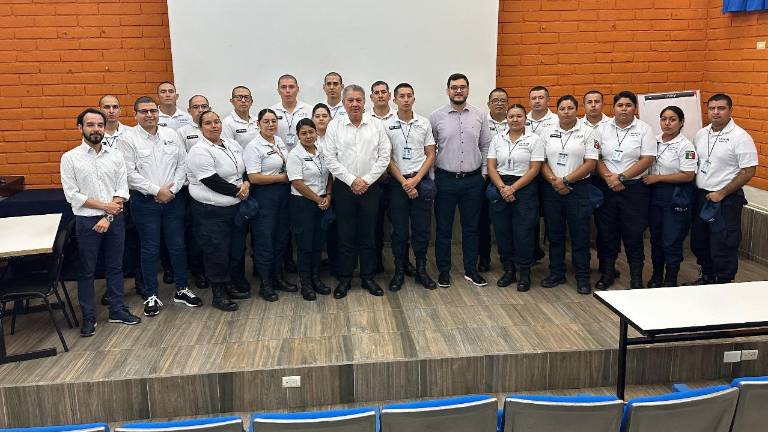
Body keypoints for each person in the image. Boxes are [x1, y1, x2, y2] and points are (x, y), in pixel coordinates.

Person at [117, 96, 202, 316]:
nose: (149, 115)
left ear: (157, 112)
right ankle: (151, 294)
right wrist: (157, 191)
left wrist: (171, 191)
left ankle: (182, 289)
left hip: (173, 200)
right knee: (149, 249)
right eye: (143, 111)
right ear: (135, 115)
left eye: (152, 111)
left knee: (177, 246)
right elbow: (128, 174)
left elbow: (183, 165)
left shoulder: (171, 135)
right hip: (145, 202)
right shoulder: (128, 139)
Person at [60, 108, 141, 337]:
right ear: (80, 128)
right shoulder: (70, 158)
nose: (96, 129)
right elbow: (72, 195)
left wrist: (108, 215)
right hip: (87, 222)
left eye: (99, 125)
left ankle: (116, 310)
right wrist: (105, 208)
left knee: (115, 266)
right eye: (90, 125)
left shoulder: (115, 156)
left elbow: (122, 189)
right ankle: (89, 317)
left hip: (113, 219)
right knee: (87, 270)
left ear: (105, 128)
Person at [324, 84, 391, 299]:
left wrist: (367, 181)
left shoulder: (376, 125)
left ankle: (367, 277)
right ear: (343, 103)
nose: (354, 104)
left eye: (358, 100)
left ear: (365, 102)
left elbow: (384, 155)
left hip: (371, 188)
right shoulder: (335, 126)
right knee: (345, 235)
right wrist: (353, 180)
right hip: (344, 188)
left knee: (369, 234)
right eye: (350, 100)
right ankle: (344, 279)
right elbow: (330, 158)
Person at [430, 73, 492, 288]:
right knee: (444, 229)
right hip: (445, 181)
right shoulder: (436, 116)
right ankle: (444, 271)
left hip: (473, 180)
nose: (458, 91)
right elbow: (431, 149)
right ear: (447, 90)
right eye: (454, 87)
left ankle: (471, 270)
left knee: (471, 228)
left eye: (462, 87)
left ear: (468, 90)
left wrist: (484, 173)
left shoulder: (479, 115)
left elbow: (485, 145)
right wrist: (433, 177)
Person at [688, 93, 757, 285]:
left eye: (721, 108)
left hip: (726, 199)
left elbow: (749, 170)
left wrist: (722, 193)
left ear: (730, 111)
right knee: (699, 242)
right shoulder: (702, 133)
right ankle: (707, 278)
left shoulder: (740, 137)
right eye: (712, 108)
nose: (716, 112)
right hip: (702, 196)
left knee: (724, 243)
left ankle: (724, 283)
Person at [187, 110, 251, 311]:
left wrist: (247, 184)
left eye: (216, 122)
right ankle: (219, 294)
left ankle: (230, 284)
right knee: (217, 251)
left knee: (235, 249)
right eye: (208, 123)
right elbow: (210, 180)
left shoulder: (231, 144)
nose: (214, 126)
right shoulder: (199, 150)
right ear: (201, 127)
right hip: (211, 211)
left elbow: (244, 168)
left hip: (234, 208)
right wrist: (238, 191)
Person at [593, 91, 656, 290]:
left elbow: (647, 159)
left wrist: (622, 177)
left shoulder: (644, 129)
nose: (624, 109)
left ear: (634, 108)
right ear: (614, 108)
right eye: (620, 105)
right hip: (607, 187)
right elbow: (596, 157)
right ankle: (608, 273)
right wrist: (610, 179)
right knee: (607, 233)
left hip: (634, 190)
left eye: (628, 105)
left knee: (633, 234)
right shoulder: (602, 128)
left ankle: (636, 278)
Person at [540, 95, 599, 295]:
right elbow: (541, 161)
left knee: (580, 234)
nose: (566, 112)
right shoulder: (547, 132)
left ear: (577, 110)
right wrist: (555, 182)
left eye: (570, 108)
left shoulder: (588, 132)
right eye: (562, 108)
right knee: (554, 234)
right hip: (552, 188)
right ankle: (557, 272)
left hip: (578, 189)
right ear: (557, 110)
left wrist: (566, 181)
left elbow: (590, 163)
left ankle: (582, 276)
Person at [384, 83, 437, 291]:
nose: (406, 99)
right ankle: (399, 271)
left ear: (414, 99)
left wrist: (415, 180)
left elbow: (431, 154)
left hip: (420, 181)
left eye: (409, 96)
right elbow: (386, 158)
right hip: (398, 183)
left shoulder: (423, 123)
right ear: (394, 100)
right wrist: (405, 182)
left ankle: (421, 270)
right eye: (401, 96)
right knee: (399, 230)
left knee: (422, 229)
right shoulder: (386, 125)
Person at [486, 104, 544, 291]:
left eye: (519, 116)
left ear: (525, 118)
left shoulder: (534, 139)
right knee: (502, 231)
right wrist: (503, 188)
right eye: (511, 116)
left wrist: (513, 189)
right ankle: (508, 269)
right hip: (501, 184)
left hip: (524, 187)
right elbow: (491, 167)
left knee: (523, 232)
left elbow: (535, 169)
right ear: (507, 119)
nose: (515, 120)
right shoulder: (498, 138)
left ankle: (524, 272)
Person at [243, 109, 296, 301]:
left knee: (281, 238)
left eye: (274, 121)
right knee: (265, 241)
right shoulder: (253, 146)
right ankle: (266, 283)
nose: (271, 125)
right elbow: (253, 177)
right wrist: (283, 177)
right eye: (266, 121)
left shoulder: (279, 142)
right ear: (258, 124)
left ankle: (278, 277)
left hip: (283, 195)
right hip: (264, 197)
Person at [642, 106, 697, 288]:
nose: (667, 123)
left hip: (675, 195)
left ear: (681, 123)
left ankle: (670, 279)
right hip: (653, 195)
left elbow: (688, 174)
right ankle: (657, 276)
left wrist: (658, 178)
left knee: (671, 239)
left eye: (672, 119)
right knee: (656, 238)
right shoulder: (654, 140)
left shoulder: (686, 145)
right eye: (663, 119)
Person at [98, 95, 145, 304]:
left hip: (132, 196)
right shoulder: (94, 134)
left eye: (115, 107)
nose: (111, 111)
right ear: (100, 109)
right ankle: (113, 291)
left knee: (138, 242)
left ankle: (142, 284)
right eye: (106, 107)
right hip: (107, 198)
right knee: (113, 249)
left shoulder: (132, 133)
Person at [287, 118, 334, 300]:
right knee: (305, 245)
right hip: (303, 204)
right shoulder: (295, 155)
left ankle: (316, 278)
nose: (308, 136)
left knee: (318, 243)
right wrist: (318, 199)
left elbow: (329, 174)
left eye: (311, 132)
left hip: (322, 201)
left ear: (316, 133)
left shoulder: (322, 151)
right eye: (303, 133)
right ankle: (305, 283)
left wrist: (328, 196)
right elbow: (297, 183)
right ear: (298, 136)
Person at [582, 90, 619, 280]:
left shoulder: (612, 125)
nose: (593, 105)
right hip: (584, 179)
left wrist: (608, 176)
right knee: (582, 225)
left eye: (597, 101)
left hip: (608, 181)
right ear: (584, 106)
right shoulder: (578, 125)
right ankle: (583, 265)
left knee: (606, 226)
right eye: (589, 102)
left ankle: (607, 265)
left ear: (603, 104)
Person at [176, 95, 211, 290]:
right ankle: (198, 272)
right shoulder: (182, 132)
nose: (200, 110)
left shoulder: (216, 128)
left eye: (203, 106)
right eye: (195, 107)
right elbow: (181, 161)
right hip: (192, 190)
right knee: (195, 234)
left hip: (216, 190)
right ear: (189, 111)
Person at [478, 88, 509, 272]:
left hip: (508, 178)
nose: (499, 103)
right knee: (482, 222)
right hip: (483, 177)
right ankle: (483, 259)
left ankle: (507, 260)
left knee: (504, 223)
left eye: (502, 100)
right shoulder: (481, 121)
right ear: (488, 103)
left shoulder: (515, 120)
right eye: (495, 100)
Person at [270, 74, 311, 152]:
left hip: (304, 158)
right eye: (283, 87)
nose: (287, 90)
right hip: (279, 158)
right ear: (278, 90)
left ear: (298, 89)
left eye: (291, 87)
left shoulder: (309, 110)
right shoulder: (271, 111)